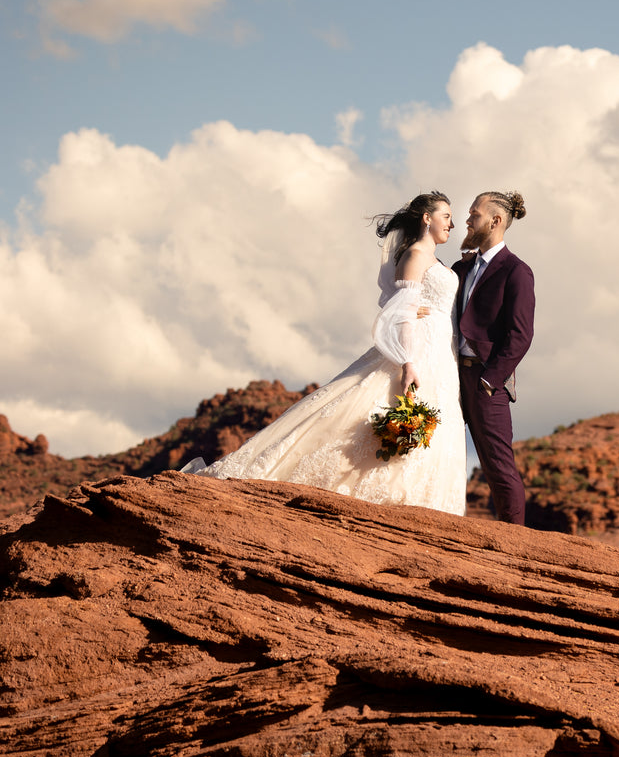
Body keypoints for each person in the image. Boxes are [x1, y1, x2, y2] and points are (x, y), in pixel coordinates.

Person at [184, 191, 468, 515]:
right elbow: (401, 314)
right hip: (419, 352)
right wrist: (408, 362)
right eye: (446, 216)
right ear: (426, 218)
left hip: (441, 355)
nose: (452, 223)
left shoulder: (435, 260)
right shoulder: (416, 255)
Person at [453, 191, 534, 524]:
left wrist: (489, 381)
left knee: (498, 467)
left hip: (487, 383)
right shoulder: (462, 266)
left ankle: (515, 544)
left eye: (474, 214)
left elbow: (520, 335)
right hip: (452, 377)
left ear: (495, 221)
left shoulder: (516, 271)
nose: (468, 220)